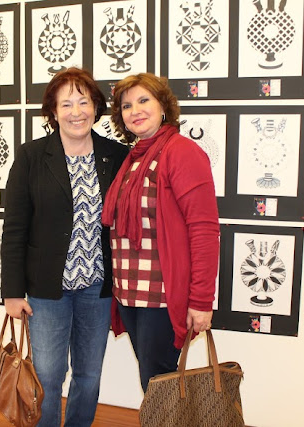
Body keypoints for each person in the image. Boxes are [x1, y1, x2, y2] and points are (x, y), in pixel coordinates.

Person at [1, 67, 128, 427]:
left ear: (96, 107)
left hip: (97, 288)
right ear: (53, 112)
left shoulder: (115, 155)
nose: (76, 112)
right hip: (47, 291)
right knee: (48, 375)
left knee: (89, 374)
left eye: (83, 102)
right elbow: (15, 228)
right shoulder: (31, 156)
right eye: (66, 104)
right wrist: (12, 292)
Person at [102, 73, 219, 392]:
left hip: (162, 296)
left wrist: (201, 301)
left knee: (158, 385)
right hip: (130, 292)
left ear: (163, 106)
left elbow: (204, 230)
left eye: (144, 100)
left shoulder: (181, 152)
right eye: (127, 105)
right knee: (156, 384)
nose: (135, 110)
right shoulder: (133, 160)